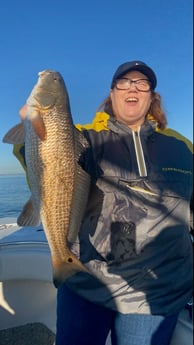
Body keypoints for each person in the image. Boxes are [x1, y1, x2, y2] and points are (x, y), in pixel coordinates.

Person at [13, 60, 193, 345]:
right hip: (88, 283)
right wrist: (30, 130)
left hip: (156, 292)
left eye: (142, 83)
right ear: (112, 94)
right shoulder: (86, 138)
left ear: (152, 96)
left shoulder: (181, 146)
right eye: (124, 82)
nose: (133, 88)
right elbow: (46, 173)